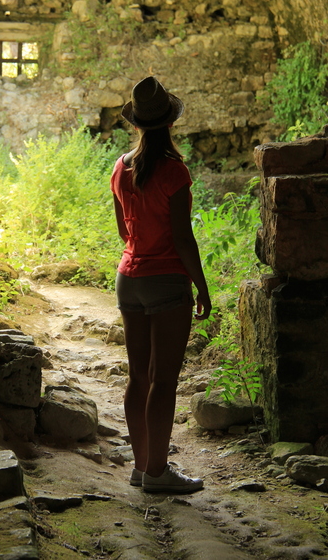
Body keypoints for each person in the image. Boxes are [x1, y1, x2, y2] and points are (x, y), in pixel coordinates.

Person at [110, 76, 211, 494]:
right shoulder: (174, 172)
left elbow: (122, 232)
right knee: (164, 379)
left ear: (136, 123)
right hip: (167, 282)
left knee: (138, 377)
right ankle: (157, 472)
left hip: (128, 279)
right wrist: (202, 287)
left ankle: (141, 466)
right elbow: (183, 238)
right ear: (169, 122)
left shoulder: (121, 167)